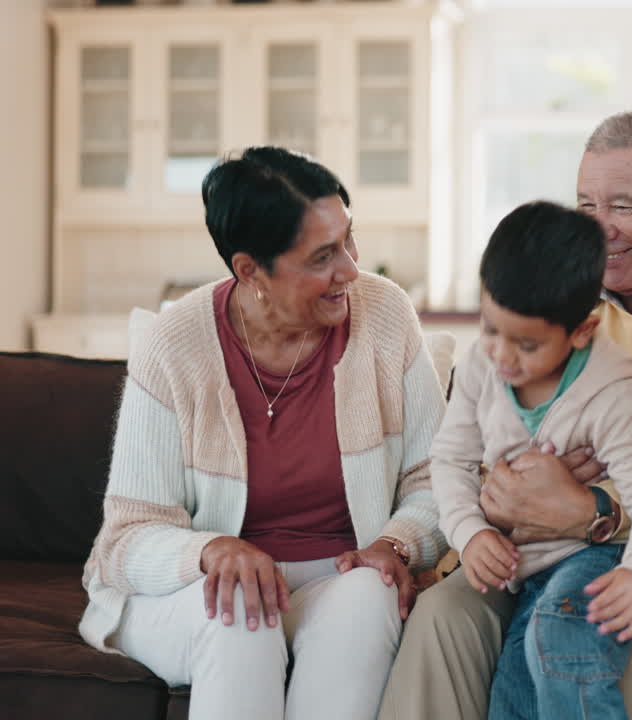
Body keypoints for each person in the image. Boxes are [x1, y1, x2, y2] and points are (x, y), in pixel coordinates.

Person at [78, 147, 449, 720]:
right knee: (242, 616)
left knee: (372, 592)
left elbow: (435, 475)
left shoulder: (384, 314)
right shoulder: (175, 345)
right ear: (250, 270)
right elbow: (126, 538)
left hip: (337, 577)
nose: (351, 268)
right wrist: (213, 551)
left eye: (349, 239)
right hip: (192, 597)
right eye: (323, 256)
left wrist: (394, 545)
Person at [381, 110, 632, 720]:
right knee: (443, 617)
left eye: (625, 206)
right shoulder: (536, 303)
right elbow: (462, 455)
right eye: (586, 206)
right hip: (515, 552)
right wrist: (492, 507)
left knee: (580, 646)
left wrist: (595, 510)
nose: (599, 229)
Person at [432, 200, 632, 719]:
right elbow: (450, 460)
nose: (501, 355)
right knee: (512, 699)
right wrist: (470, 533)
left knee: (562, 634)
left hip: (602, 557)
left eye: (526, 344)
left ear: (582, 331)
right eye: (491, 329)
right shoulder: (483, 364)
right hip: (527, 569)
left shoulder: (616, 393)